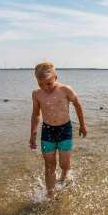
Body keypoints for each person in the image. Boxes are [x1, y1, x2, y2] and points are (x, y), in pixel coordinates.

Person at [29, 61, 87, 198]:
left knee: (64, 163)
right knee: (49, 165)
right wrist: (33, 134)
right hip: (48, 131)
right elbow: (36, 114)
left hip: (65, 130)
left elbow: (77, 105)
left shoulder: (65, 90)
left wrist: (82, 125)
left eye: (48, 83)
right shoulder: (37, 94)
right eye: (41, 84)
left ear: (56, 77)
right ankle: (50, 194)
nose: (45, 87)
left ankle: (65, 175)